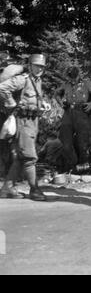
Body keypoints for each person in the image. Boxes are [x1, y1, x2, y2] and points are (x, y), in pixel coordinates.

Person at [0, 54, 51, 200]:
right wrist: (10, 102)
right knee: (30, 157)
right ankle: (34, 190)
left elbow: (32, 98)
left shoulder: (37, 80)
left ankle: (7, 189)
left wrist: (42, 104)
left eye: (42, 66)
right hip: (23, 121)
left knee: (20, 157)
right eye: (37, 65)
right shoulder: (23, 79)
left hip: (32, 121)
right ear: (30, 65)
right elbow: (2, 88)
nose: (40, 68)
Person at [55, 67, 91, 172]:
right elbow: (57, 94)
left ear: (78, 75)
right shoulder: (65, 84)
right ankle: (72, 164)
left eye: (74, 76)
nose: (73, 79)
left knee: (83, 143)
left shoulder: (86, 83)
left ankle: (84, 167)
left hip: (81, 113)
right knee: (65, 141)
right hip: (68, 113)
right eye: (70, 76)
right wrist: (61, 103)